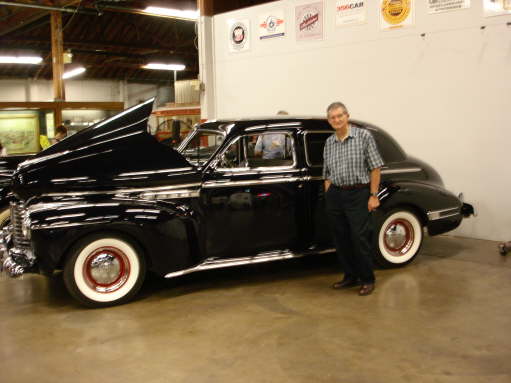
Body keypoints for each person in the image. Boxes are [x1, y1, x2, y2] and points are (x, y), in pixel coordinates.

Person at [323, 101, 384, 296]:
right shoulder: (329, 142)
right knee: (341, 239)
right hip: (336, 194)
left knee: (359, 238)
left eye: (340, 115)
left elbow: (375, 167)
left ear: (347, 116)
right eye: (333, 117)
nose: (337, 120)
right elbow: (327, 173)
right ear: (329, 120)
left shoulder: (363, 136)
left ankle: (367, 279)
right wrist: (329, 194)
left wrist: (373, 195)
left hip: (358, 193)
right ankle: (350, 276)